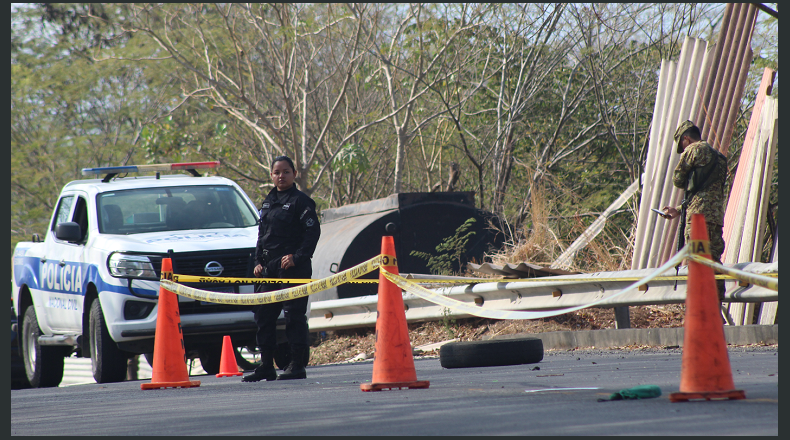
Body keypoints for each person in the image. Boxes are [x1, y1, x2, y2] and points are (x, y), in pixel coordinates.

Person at [242, 156, 321, 382]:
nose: (281, 176)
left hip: (292, 270)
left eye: (286, 172)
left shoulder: (301, 201)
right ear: (271, 176)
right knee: (264, 317)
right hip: (269, 270)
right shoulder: (268, 202)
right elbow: (262, 237)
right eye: (277, 172)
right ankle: (266, 365)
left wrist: (297, 257)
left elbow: (312, 233)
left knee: (293, 317)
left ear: (294, 174)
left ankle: (297, 365)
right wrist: (258, 262)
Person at [661, 120, 728, 301]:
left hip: (698, 220)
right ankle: (718, 304)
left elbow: (678, 179)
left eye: (681, 145)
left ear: (686, 139)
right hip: (715, 219)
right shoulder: (720, 159)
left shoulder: (694, 149)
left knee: (698, 262)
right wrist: (678, 210)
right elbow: (705, 192)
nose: (682, 150)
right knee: (714, 261)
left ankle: (701, 307)